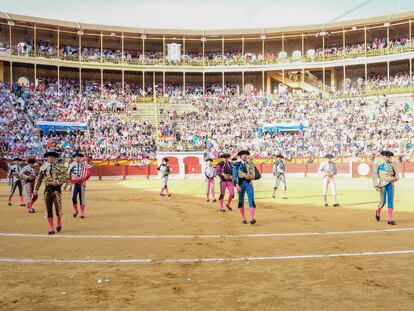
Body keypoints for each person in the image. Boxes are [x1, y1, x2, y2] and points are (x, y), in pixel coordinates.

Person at [33, 151, 69, 235]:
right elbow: (39, 179)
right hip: (48, 190)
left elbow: (66, 177)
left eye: (52, 157)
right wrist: (35, 190)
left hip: (57, 190)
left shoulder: (61, 167)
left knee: (58, 209)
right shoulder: (43, 167)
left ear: (55, 158)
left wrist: (59, 182)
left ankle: (59, 222)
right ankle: (51, 228)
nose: (50, 158)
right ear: (47, 158)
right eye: (49, 157)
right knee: (48, 209)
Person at [373, 150, 399, 225]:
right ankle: (378, 211)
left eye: (389, 156)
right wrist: (376, 185)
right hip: (382, 184)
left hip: (390, 184)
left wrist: (395, 178)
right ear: (383, 156)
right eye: (387, 156)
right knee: (383, 202)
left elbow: (397, 175)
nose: (388, 158)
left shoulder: (392, 165)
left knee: (390, 201)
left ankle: (390, 219)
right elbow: (375, 174)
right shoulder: (378, 164)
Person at [233, 150, 257, 224]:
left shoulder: (250, 164)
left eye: (246, 155)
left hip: (248, 184)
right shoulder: (236, 165)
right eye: (243, 155)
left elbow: (254, 174)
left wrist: (251, 180)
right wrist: (236, 185)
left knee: (251, 200)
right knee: (241, 201)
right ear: (240, 157)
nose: (245, 156)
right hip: (240, 184)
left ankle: (252, 218)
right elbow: (235, 176)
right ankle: (243, 218)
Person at [68, 153, 92, 218]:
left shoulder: (84, 165)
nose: (78, 158)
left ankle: (82, 213)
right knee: (73, 198)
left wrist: (83, 178)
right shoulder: (71, 165)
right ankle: (76, 210)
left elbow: (88, 172)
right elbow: (68, 174)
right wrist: (68, 183)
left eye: (79, 157)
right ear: (74, 158)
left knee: (82, 198)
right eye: (76, 157)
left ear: (81, 158)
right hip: (74, 183)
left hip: (82, 183)